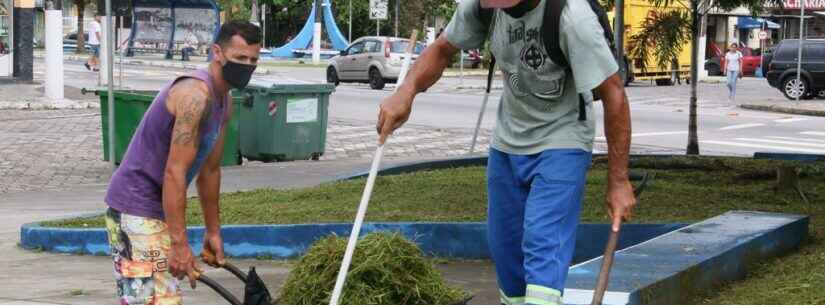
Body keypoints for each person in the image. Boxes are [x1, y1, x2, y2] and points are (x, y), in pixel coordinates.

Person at [376, 0, 636, 304]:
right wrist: (406, 91)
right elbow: (443, 48)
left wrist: (618, 181)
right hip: (507, 142)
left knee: (543, 245)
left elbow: (613, 93)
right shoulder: (482, 7)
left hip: (562, 141)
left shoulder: (571, 17)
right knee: (507, 256)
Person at [103, 21, 261, 305]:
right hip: (134, 208)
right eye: (240, 58)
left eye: (253, 60)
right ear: (217, 53)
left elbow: (210, 171)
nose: (247, 66)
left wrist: (213, 231)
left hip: (157, 210)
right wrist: (179, 244)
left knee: (162, 300)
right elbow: (174, 172)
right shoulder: (194, 96)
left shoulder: (224, 101)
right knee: (156, 302)